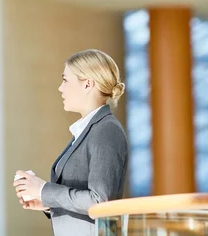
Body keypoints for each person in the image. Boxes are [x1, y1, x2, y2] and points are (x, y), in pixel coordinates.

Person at [13, 49, 129, 235]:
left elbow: (100, 201)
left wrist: (43, 189)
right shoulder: (89, 130)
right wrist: (48, 204)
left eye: (65, 80)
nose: (60, 88)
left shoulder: (106, 130)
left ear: (87, 84)